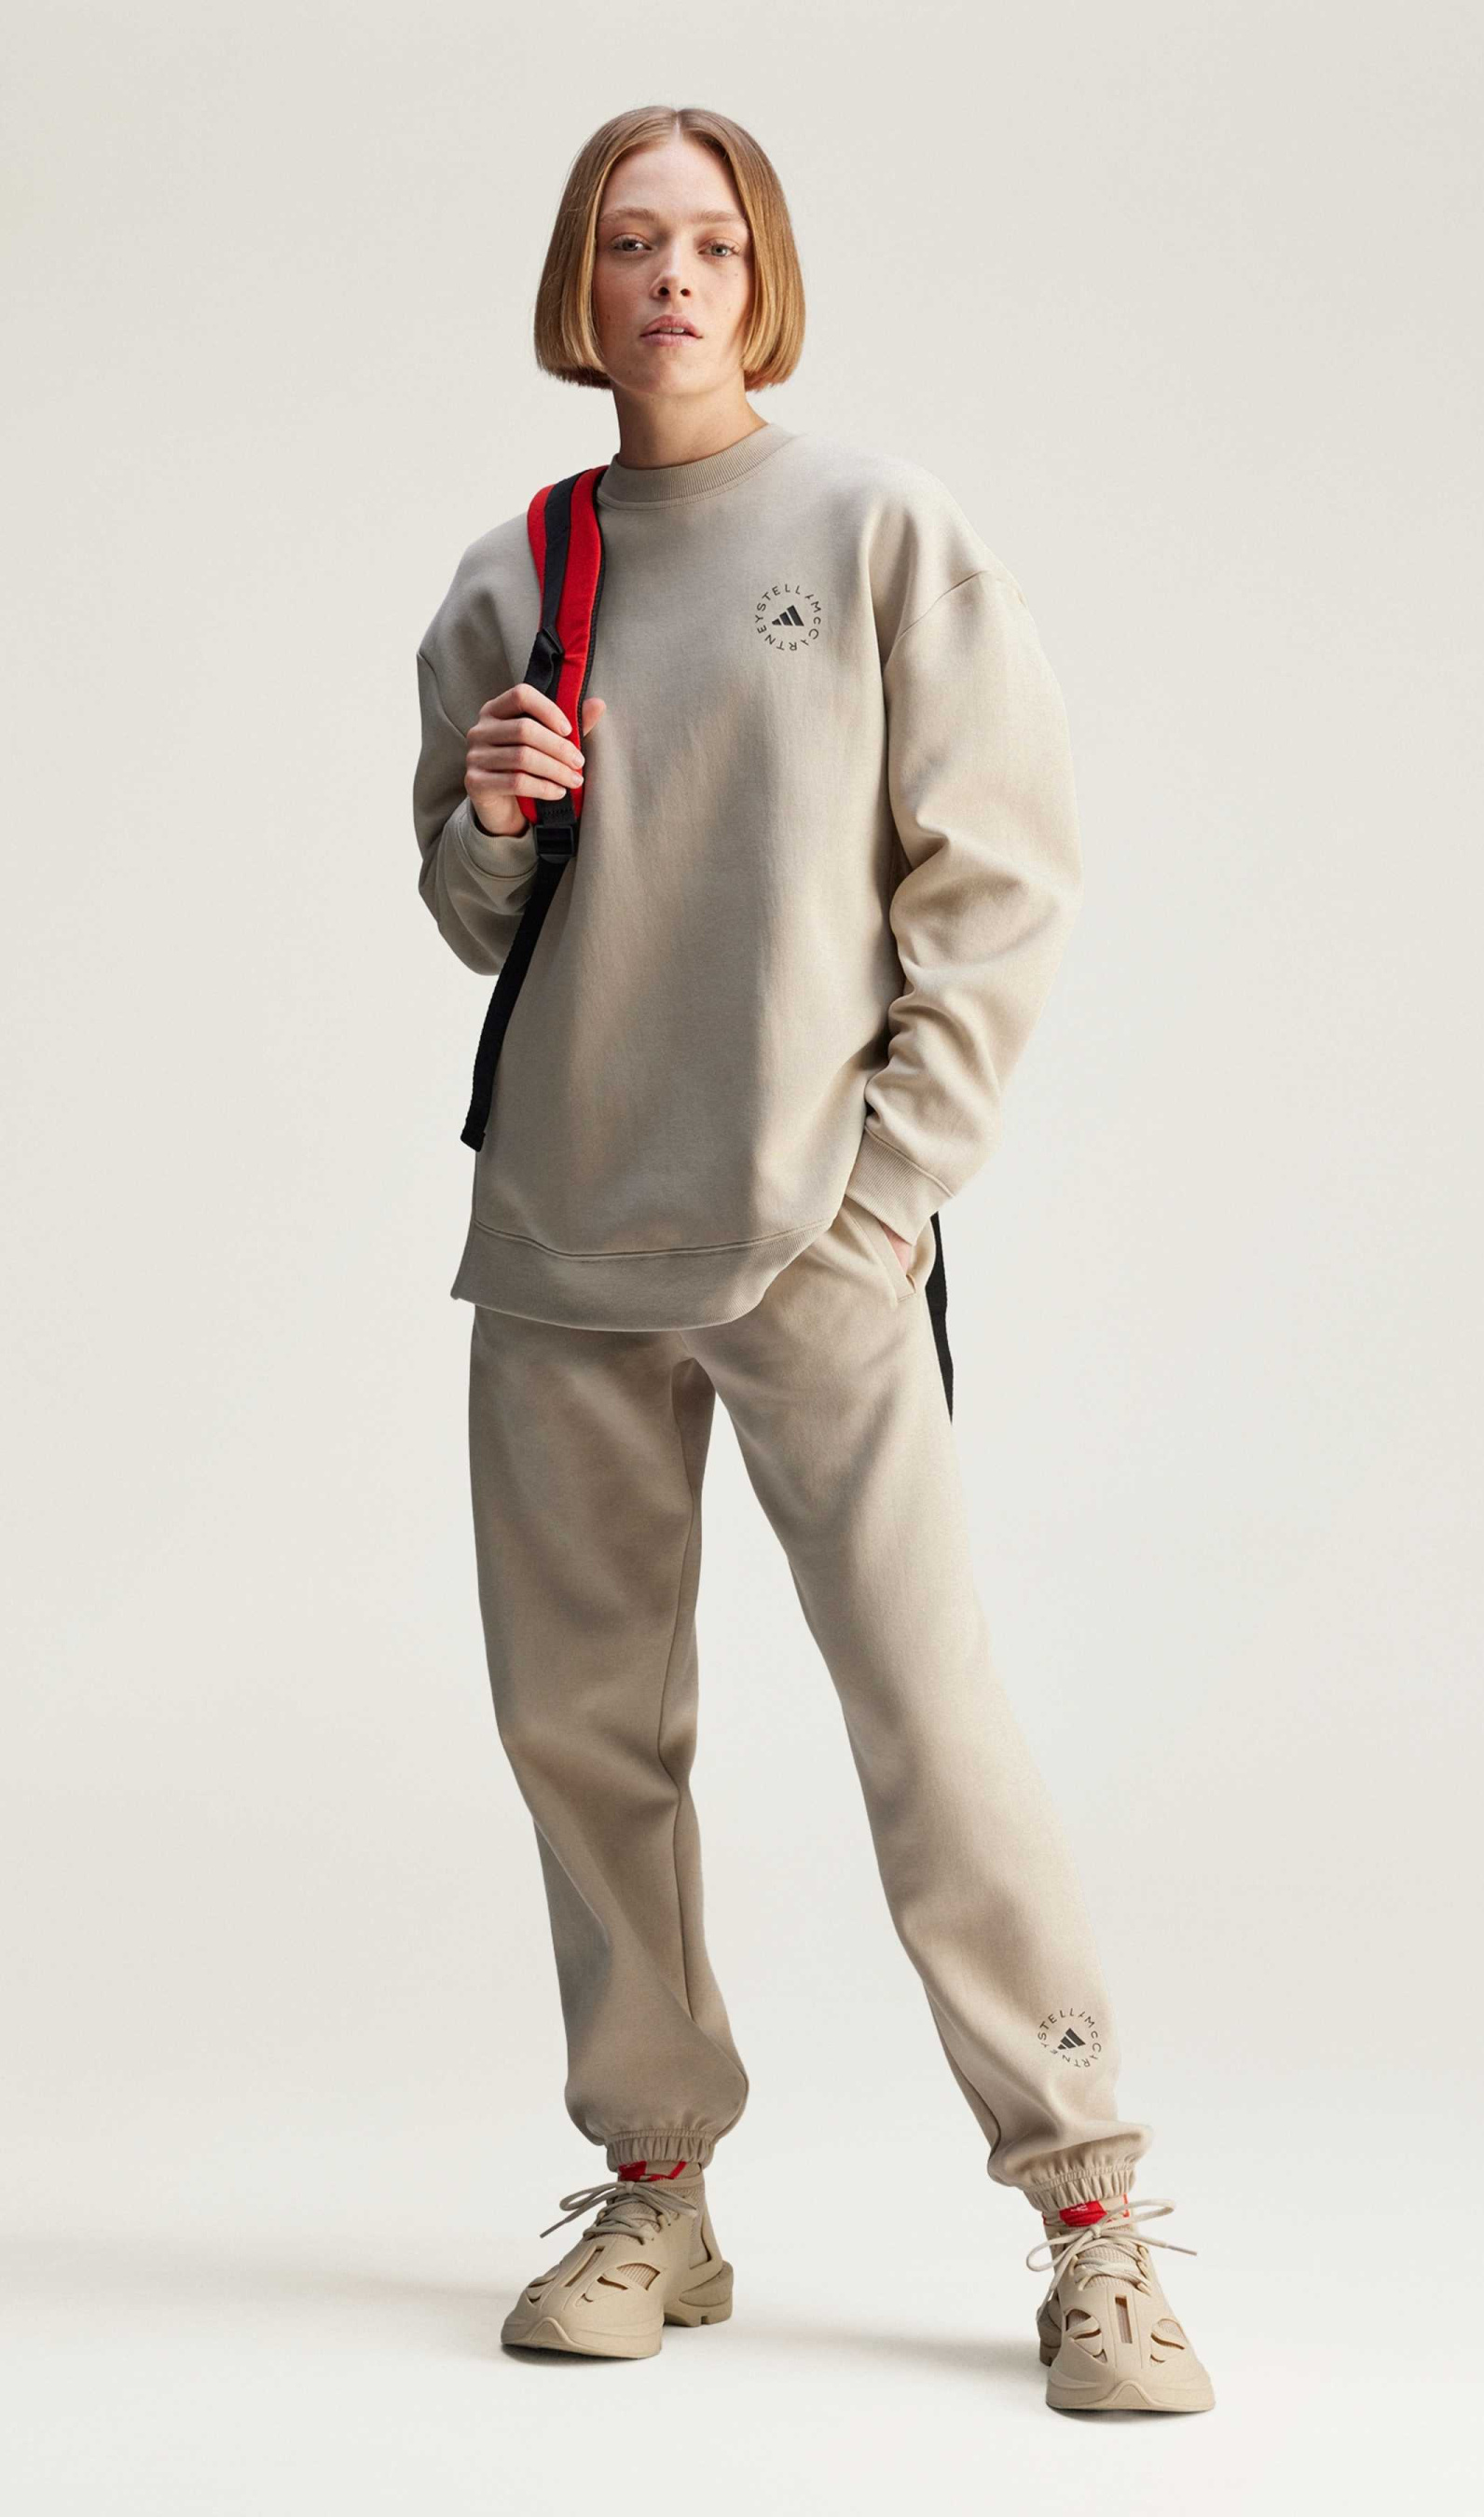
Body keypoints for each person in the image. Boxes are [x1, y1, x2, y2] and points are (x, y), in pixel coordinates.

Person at [410, 103, 1212, 2416]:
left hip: (808, 1243)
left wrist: (883, 1191)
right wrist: (492, 814)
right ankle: (653, 2189)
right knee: (586, 1739)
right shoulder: (518, 569)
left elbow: (999, 881)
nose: (668, 277)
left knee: (925, 1722)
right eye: (628, 241)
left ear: (760, 278)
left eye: (708, 240)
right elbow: (468, 914)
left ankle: (1091, 2218)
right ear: (578, 285)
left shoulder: (875, 531)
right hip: (559, 1241)